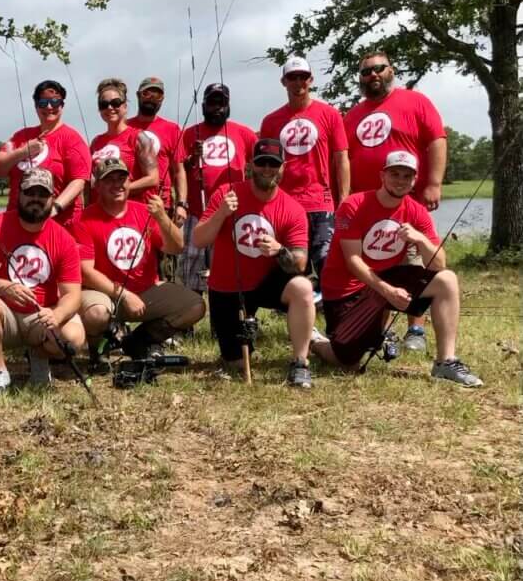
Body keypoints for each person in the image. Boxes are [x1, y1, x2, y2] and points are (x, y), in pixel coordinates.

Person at [311, 151, 482, 386]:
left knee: (447, 280)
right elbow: (353, 261)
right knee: (347, 362)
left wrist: (420, 240)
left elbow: (439, 264)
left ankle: (445, 361)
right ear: (382, 175)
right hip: (346, 289)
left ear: (414, 180)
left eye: (407, 176)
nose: (400, 180)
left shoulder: (416, 211)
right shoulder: (355, 204)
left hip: (384, 281)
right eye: (394, 174)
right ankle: (316, 341)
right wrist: (387, 291)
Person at [343, 50, 447, 353]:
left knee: (413, 260)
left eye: (379, 68)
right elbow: (344, 158)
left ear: (392, 70)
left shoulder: (415, 101)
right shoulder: (354, 114)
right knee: (377, 262)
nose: (372, 75)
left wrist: (434, 183)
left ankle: (416, 327)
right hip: (368, 205)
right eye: (366, 72)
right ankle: (382, 328)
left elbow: (436, 140)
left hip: (408, 200)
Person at [192, 137, 315, 387]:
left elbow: (300, 263)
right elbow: (198, 240)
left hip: (266, 282)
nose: (267, 169)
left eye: (273, 163)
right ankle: (244, 341)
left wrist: (280, 250)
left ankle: (301, 362)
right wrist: (221, 214)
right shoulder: (226, 195)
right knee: (235, 363)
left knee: (303, 287)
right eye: (261, 163)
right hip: (229, 288)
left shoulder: (292, 209)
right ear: (250, 165)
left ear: (283, 167)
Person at [0, 168, 86, 394]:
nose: (36, 199)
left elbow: (73, 294)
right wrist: (4, 286)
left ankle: (39, 357)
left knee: (73, 338)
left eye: (43, 194)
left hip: (42, 314)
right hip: (4, 313)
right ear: (18, 194)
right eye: (30, 192)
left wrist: (57, 315)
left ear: (52, 199)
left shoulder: (64, 239)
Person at [74, 159, 205, 359]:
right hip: (104, 294)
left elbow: (177, 247)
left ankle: (139, 341)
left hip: (145, 291)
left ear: (130, 182)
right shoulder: (84, 219)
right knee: (96, 314)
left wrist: (162, 218)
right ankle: (98, 348)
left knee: (195, 306)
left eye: (122, 178)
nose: (117, 184)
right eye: (109, 180)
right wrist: (124, 295)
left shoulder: (145, 211)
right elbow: (86, 272)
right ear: (97, 186)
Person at [259, 55, 350, 289]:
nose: (298, 82)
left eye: (303, 77)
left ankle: (331, 308)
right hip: (286, 203)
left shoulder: (330, 114)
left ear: (311, 80)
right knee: (290, 263)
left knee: (325, 261)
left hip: (321, 201)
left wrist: (344, 200)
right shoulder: (270, 121)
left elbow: (341, 159)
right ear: (284, 81)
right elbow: (265, 166)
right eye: (292, 77)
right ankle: (296, 309)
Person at [180, 83, 256, 296]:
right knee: (191, 266)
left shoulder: (244, 133)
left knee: (229, 264)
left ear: (228, 105)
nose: (217, 107)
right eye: (212, 103)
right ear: (203, 105)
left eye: (221, 103)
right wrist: (192, 158)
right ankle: (188, 319)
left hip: (232, 211)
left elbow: (261, 163)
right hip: (197, 212)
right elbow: (178, 170)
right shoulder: (188, 134)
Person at [0, 80, 92, 227]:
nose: (49, 107)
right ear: (36, 106)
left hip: (58, 223)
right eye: (43, 102)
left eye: (55, 102)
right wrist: (23, 151)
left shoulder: (72, 139)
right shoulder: (21, 136)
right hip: (17, 222)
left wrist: (55, 207)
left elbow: (79, 181)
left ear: (62, 105)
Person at [89, 79, 159, 195]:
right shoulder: (96, 141)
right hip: (101, 209)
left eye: (115, 103)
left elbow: (152, 178)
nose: (110, 108)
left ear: (125, 106)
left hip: (131, 208)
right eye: (104, 104)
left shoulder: (138, 137)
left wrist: (117, 190)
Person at [128, 76, 187, 212]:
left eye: (157, 95)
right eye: (146, 93)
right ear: (138, 95)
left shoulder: (172, 129)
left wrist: (181, 204)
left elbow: (179, 171)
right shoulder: (125, 127)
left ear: (162, 99)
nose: (151, 98)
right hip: (129, 204)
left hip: (161, 205)